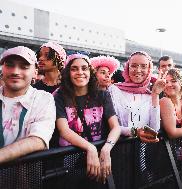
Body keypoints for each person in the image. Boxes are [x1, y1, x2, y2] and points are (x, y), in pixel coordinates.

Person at [54, 53, 121, 182]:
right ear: (68, 73)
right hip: (69, 162)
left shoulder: (103, 95)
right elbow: (64, 130)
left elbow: (115, 127)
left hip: (99, 161)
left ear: (90, 72)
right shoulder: (60, 96)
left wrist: (106, 149)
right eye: (74, 69)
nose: (80, 72)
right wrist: (90, 148)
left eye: (84, 68)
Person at [0, 46, 56, 164]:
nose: (15, 72)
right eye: (10, 65)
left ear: (35, 73)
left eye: (24, 67)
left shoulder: (44, 99)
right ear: (2, 69)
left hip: (25, 178)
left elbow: (39, 139)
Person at [108, 51, 164, 143]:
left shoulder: (151, 94)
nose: (138, 70)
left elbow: (155, 129)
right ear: (127, 68)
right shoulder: (114, 90)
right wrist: (134, 131)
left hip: (143, 150)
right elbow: (110, 126)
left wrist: (155, 95)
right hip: (118, 148)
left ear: (149, 69)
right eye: (134, 66)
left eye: (143, 66)